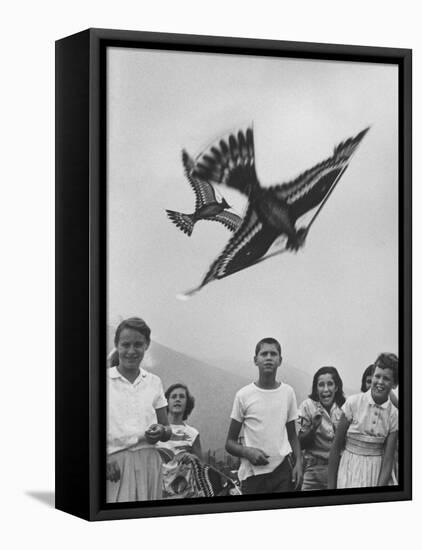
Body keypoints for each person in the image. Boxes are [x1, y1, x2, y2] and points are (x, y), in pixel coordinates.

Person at [225, 337, 303, 495]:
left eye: (273, 354)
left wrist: (299, 464)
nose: (268, 358)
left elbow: (292, 435)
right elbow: (229, 443)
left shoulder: (288, 392)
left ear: (280, 360)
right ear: (255, 360)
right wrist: (248, 452)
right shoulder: (243, 395)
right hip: (253, 475)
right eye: (264, 354)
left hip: (282, 472)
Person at [106, 317, 172, 502]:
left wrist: (160, 431)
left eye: (138, 345)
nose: (131, 351)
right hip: (115, 465)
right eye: (125, 344)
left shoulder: (154, 382)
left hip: (150, 462)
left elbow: (167, 430)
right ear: (116, 345)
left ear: (147, 345)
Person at [328, 353, 398, 489]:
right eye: (377, 376)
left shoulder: (394, 415)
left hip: (375, 472)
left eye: (386, 378)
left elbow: (388, 459)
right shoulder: (353, 403)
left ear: (394, 384)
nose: (380, 382)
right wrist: (330, 488)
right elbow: (336, 447)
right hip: (348, 469)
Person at [298, 366, 345, 490]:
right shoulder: (307, 406)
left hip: (339, 469)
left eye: (330, 384)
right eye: (321, 385)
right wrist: (313, 428)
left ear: (336, 387)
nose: (325, 389)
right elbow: (301, 443)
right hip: (313, 470)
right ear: (316, 388)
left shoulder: (345, 407)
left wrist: (339, 429)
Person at [157, 383, 203, 498]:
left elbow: (202, 467)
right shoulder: (157, 430)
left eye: (182, 397)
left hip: (185, 495)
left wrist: (192, 459)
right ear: (166, 402)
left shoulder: (193, 434)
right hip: (157, 493)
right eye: (174, 397)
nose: (178, 399)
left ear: (187, 402)